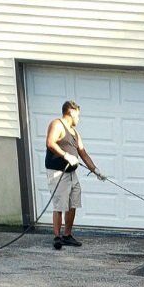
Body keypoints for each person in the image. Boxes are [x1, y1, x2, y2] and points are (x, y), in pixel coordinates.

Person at [44, 101, 104, 250]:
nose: (79, 118)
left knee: (73, 204)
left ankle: (67, 235)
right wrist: (66, 155)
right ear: (71, 112)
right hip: (58, 173)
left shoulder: (75, 133)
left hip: (72, 173)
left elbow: (83, 153)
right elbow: (50, 143)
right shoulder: (57, 124)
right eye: (78, 115)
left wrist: (95, 170)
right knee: (59, 205)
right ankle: (57, 237)